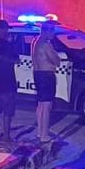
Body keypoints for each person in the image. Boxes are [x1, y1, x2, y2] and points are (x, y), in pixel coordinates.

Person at [31, 21, 61, 161]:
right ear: (47, 31)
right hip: (46, 75)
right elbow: (57, 61)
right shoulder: (46, 44)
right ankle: (44, 135)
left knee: (41, 104)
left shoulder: (35, 41)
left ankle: (40, 132)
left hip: (37, 73)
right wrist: (55, 57)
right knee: (47, 105)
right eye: (52, 31)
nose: (53, 34)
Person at [0, 19, 19, 143]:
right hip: (7, 81)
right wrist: (11, 44)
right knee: (7, 108)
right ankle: (5, 135)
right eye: (5, 29)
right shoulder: (2, 44)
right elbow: (15, 59)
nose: (7, 31)